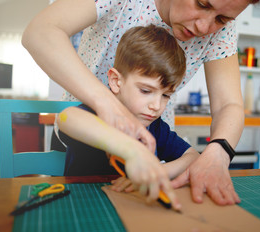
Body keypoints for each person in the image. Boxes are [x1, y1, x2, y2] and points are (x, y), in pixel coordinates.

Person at [22, 0, 260, 205]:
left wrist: (216, 154)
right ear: (115, 80)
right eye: (202, 3)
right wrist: (114, 117)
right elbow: (41, 34)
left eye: (222, 19)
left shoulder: (155, 129)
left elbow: (228, 105)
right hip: (86, 141)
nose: (204, 28)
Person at [57, 25, 199, 209]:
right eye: (146, 90)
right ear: (116, 82)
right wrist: (131, 150)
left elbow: (193, 156)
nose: (156, 106)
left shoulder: (155, 127)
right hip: (83, 208)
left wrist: (158, 172)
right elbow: (67, 118)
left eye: (165, 95)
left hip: (130, 210)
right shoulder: (99, 114)